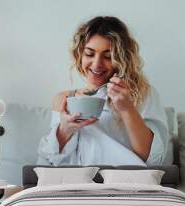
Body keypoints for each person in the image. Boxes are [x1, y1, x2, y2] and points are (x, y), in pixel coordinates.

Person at [37, 16, 171, 166]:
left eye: (108, 56)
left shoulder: (142, 94)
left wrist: (127, 109)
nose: (97, 64)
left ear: (121, 59)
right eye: (89, 54)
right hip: (80, 184)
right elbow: (46, 163)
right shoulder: (65, 99)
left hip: (127, 183)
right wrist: (64, 131)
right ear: (79, 54)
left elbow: (153, 160)